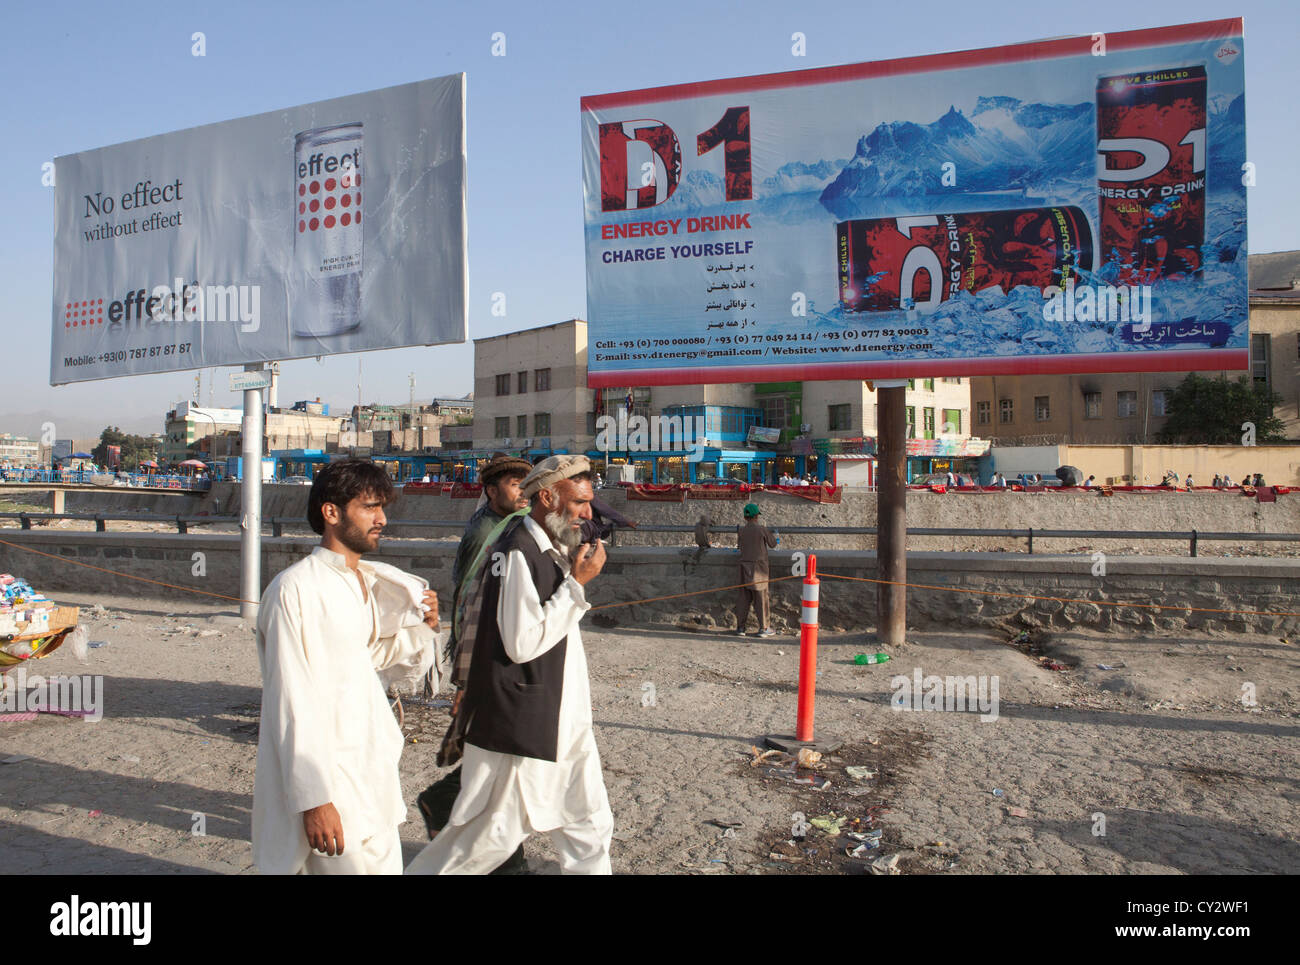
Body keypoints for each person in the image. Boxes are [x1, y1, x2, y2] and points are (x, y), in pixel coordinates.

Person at [406, 455, 612, 875]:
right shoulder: (517, 551)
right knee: (487, 839)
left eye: (590, 503)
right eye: (580, 503)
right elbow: (520, 643)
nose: (588, 514)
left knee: (589, 825)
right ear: (549, 497)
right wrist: (576, 587)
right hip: (525, 725)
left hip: (563, 721)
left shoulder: (548, 548)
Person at [252, 459, 440, 874]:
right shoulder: (295, 590)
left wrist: (422, 628)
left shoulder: (362, 581)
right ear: (331, 513)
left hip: (372, 770)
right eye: (370, 507)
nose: (382, 519)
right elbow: (290, 699)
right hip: (330, 779)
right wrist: (314, 799)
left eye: (382, 507)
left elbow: (362, 660)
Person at [415, 453, 532, 871]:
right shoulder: (490, 531)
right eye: (515, 485)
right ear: (491, 490)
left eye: (526, 484)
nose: (522, 492)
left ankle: (495, 842)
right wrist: (467, 678)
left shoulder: (507, 525)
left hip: (505, 653)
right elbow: (472, 603)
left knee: (505, 752)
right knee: (504, 752)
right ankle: (448, 805)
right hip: (490, 655)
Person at [735, 503, 777, 637]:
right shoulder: (761, 529)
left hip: (743, 567)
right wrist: (774, 534)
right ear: (756, 516)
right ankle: (764, 628)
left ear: (745, 517)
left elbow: (740, 546)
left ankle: (740, 628)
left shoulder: (741, 530)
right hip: (759, 569)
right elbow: (773, 543)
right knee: (761, 599)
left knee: (743, 598)